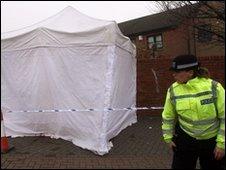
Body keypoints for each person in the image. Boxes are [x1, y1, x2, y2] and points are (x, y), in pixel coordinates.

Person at [161, 54, 225, 169]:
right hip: (185, 139)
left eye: (177, 71)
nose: (173, 74)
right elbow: (168, 116)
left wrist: (222, 144)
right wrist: (168, 138)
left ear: (190, 72)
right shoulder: (173, 90)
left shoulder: (214, 87)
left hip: (212, 142)